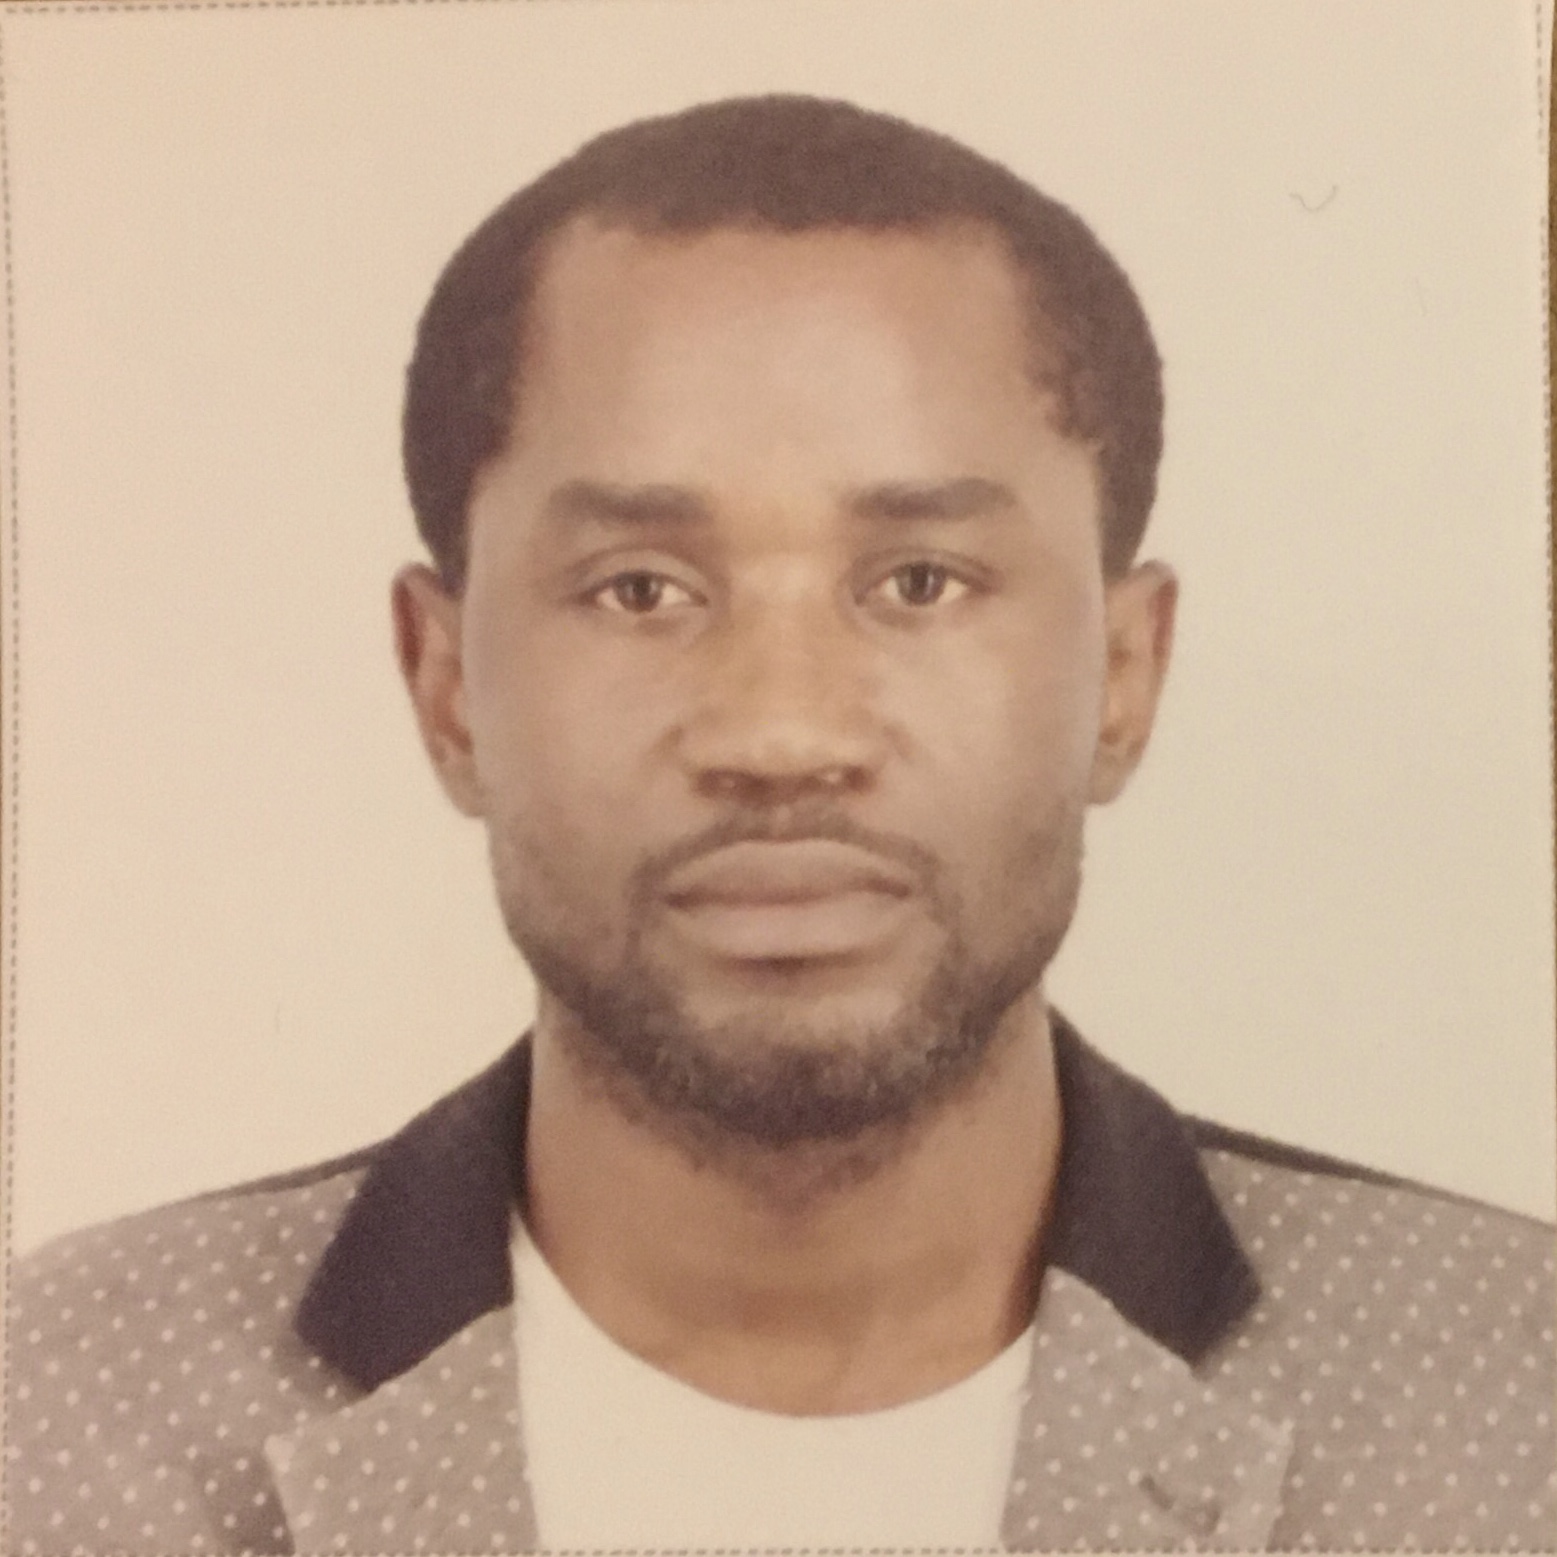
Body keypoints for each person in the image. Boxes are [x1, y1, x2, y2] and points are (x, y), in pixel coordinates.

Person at [6, 94, 1552, 1556]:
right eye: (640, 589)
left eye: (919, 582)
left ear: (1123, 678)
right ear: (447, 684)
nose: (781, 734)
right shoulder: (48, 1410)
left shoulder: (1514, 1402)